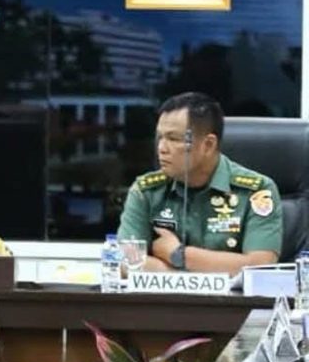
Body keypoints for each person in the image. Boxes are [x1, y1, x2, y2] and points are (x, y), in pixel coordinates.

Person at [118, 92, 281, 275]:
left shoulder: (255, 190)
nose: (161, 148)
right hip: (165, 295)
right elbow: (126, 261)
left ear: (208, 145)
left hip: (233, 295)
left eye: (173, 139)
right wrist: (186, 279)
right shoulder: (147, 191)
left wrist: (178, 254)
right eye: (160, 137)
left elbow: (259, 267)